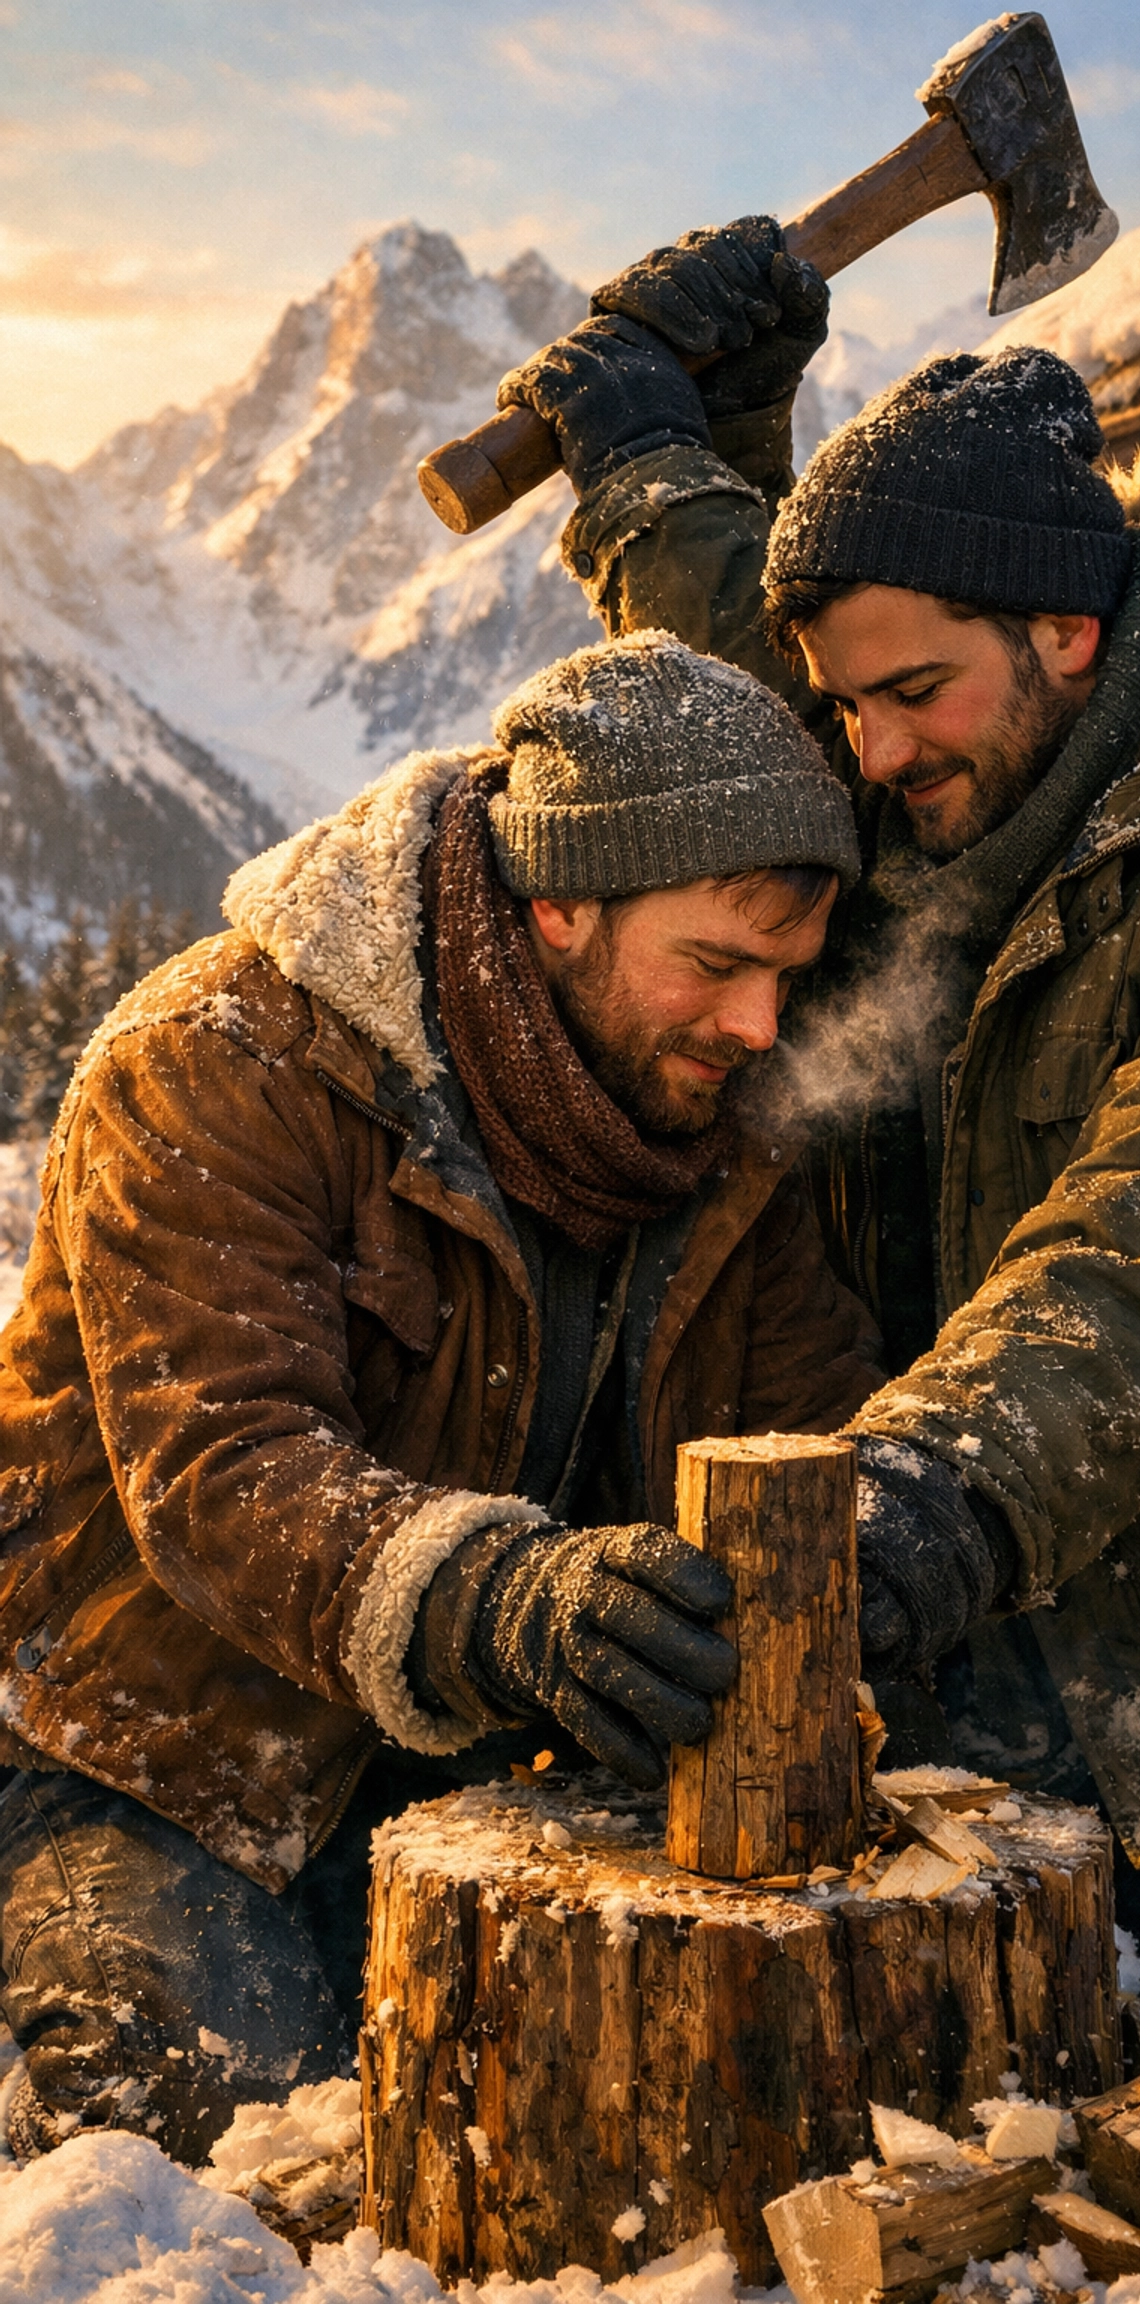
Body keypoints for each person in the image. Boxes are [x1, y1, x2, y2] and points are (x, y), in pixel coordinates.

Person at [498, 217, 1140, 1985]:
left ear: (1070, 629)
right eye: (859, 707)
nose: (879, 755)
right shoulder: (979, 780)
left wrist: (888, 1516)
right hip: (1030, 1644)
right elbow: (789, 712)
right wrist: (686, 463)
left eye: (917, 698)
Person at [0, 630, 883, 2162]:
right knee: (249, 2143)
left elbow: (815, 1424)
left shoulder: (719, 1129)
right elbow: (224, 1472)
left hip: (469, 1757)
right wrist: (505, 1596)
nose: (757, 1029)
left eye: (785, 978)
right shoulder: (219, 1062)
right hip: (157, 1759)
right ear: (559, 906)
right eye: (717, 966)